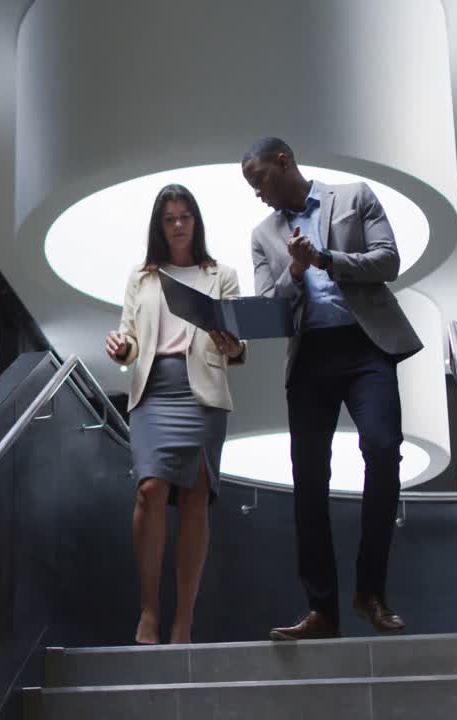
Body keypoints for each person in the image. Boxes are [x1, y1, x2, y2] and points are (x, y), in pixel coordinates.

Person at [242, 137, 423, 639]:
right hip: (310, 357)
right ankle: (322, 610)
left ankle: (371, 593)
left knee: (384, 450)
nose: (257, 193)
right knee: (309, 483)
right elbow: (268, 308)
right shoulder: (263, 234)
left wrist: (324, 258)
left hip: (367, 348)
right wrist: (296, 271)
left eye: (259, 179)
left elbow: (388, 261)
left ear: (284, 162)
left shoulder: (354, 196)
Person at [105, 183, 247, 645]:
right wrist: (121, 348)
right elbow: (127, 339)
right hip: (153, 393)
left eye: (186, 216)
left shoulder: (219, 274)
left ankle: (183, 621)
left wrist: (232, 344)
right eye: (170, 218)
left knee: (194, 503)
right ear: (159, 226)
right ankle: (150, 611)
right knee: (149, 491)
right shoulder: (141, 278)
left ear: (196, 221)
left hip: (202, 394)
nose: (179, 225)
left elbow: (237, 342)